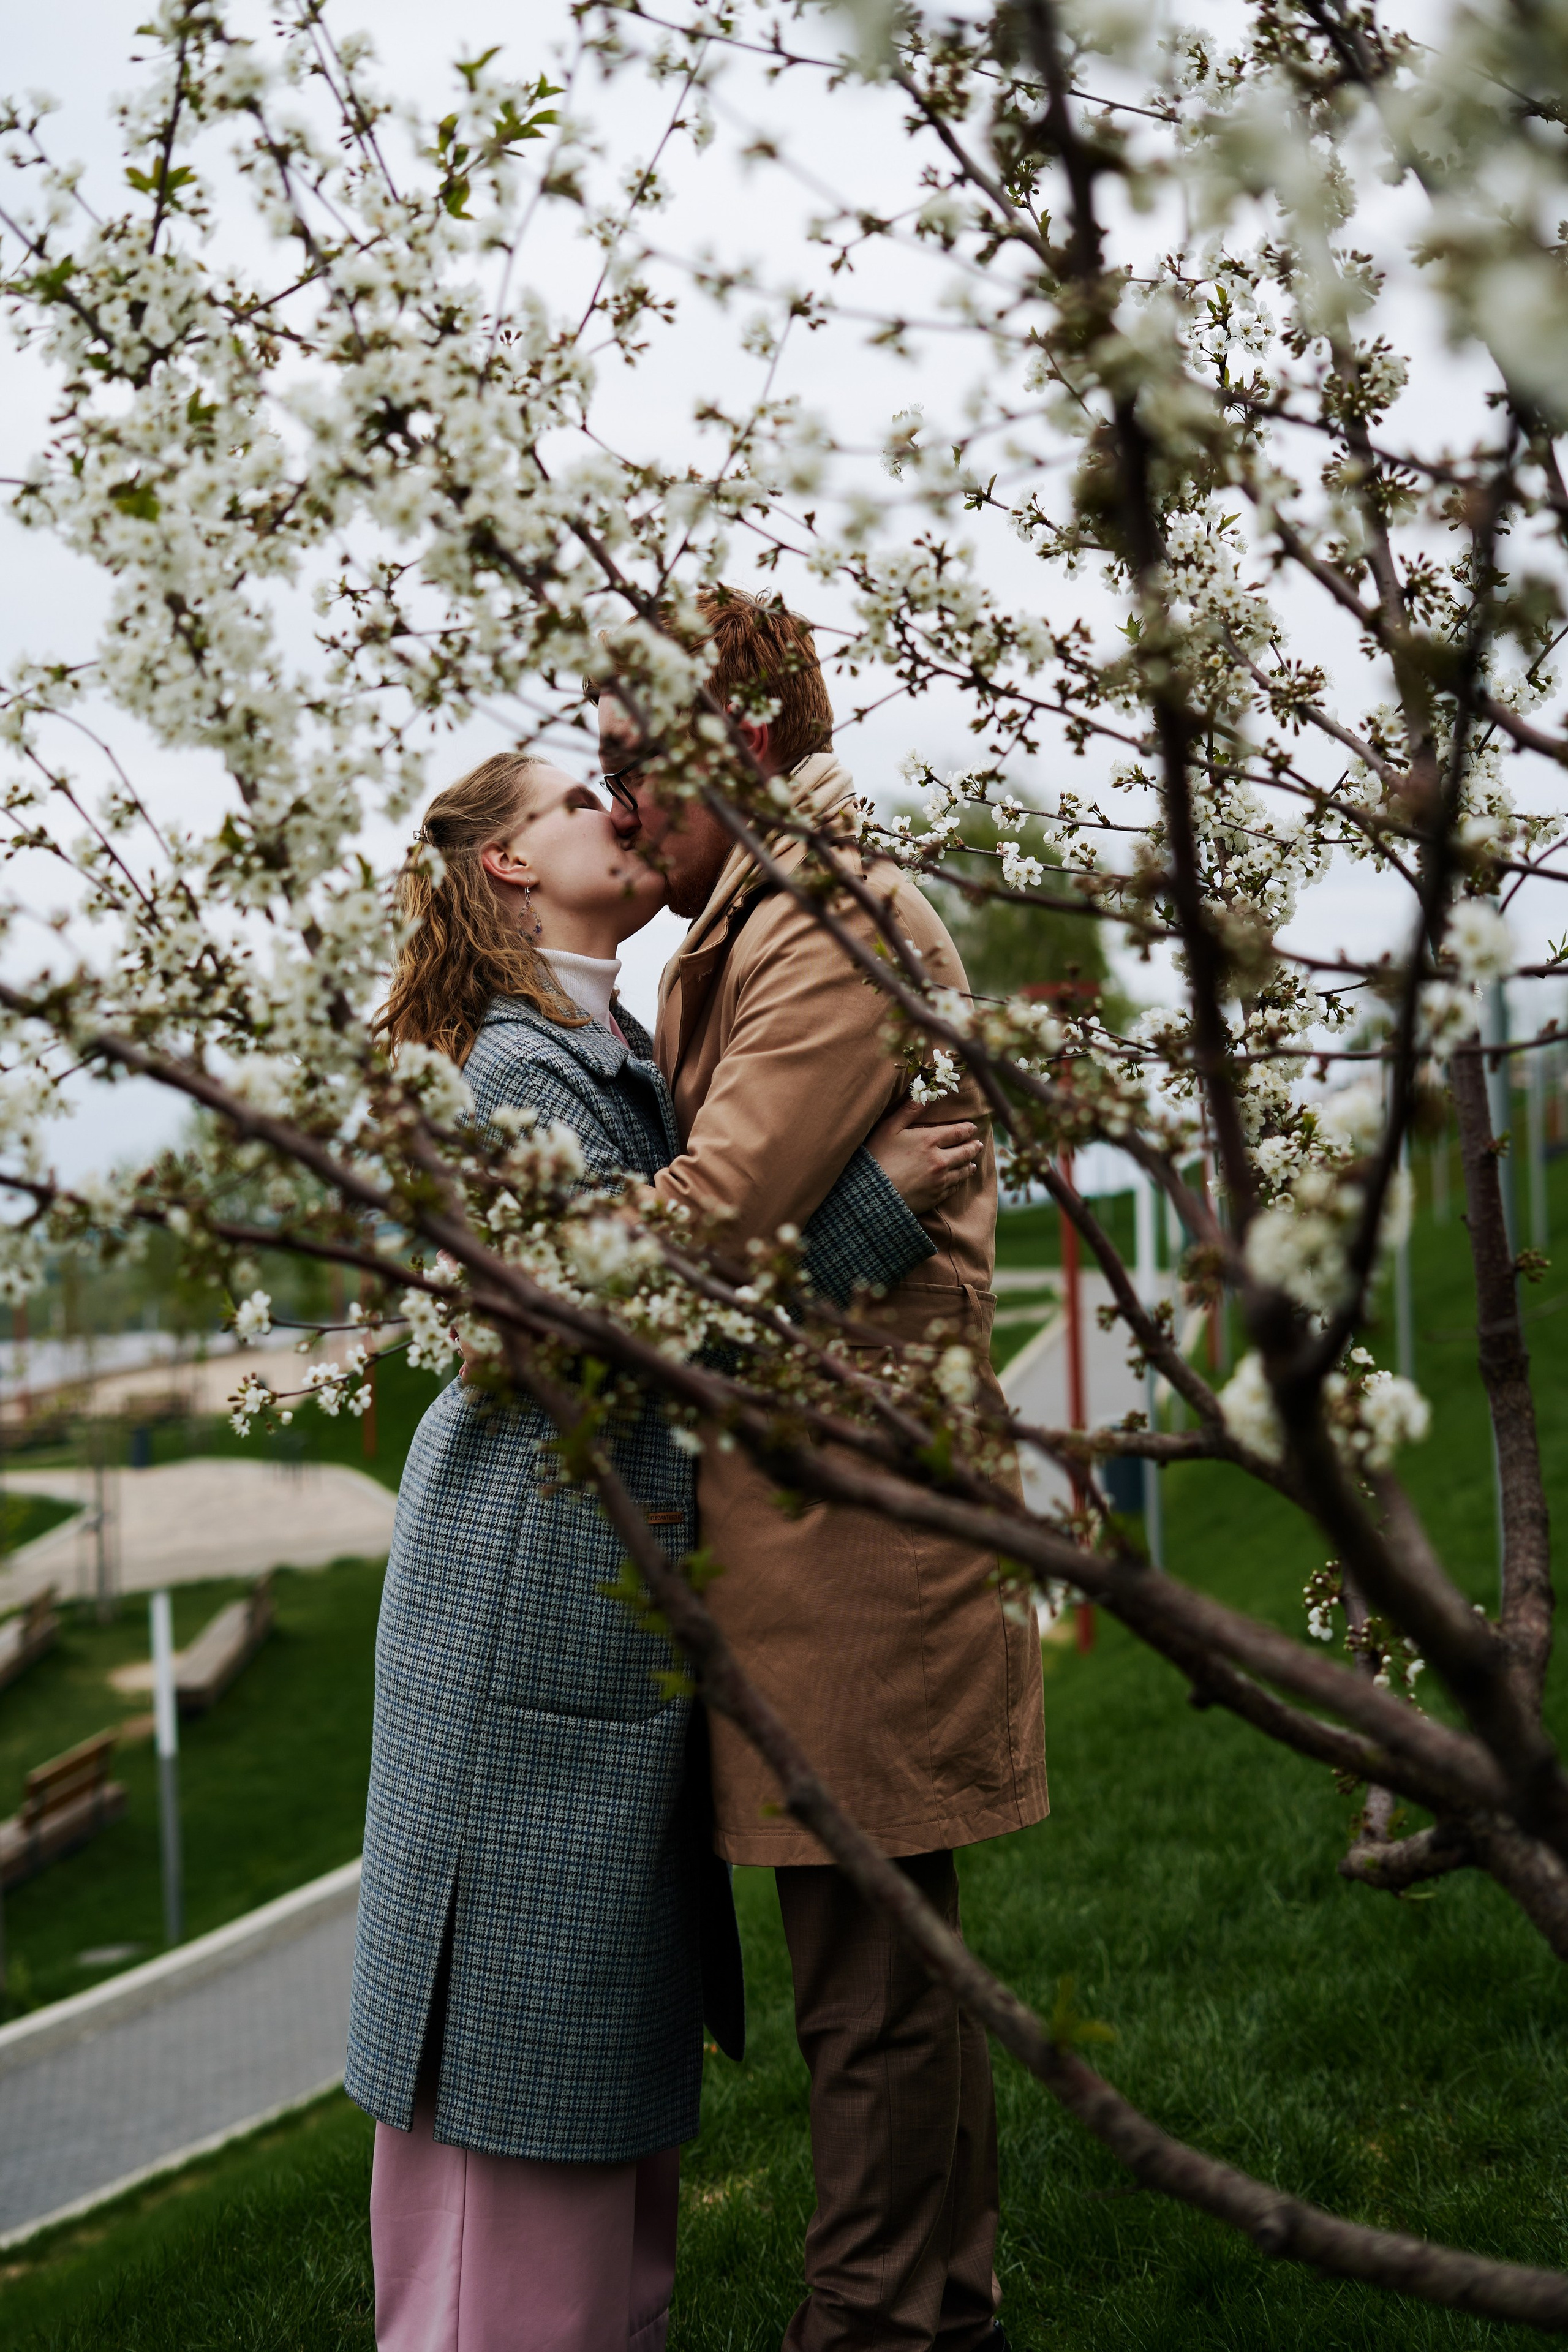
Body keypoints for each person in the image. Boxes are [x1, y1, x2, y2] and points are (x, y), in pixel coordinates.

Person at [345, 750, 976, 2352]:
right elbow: (614, 1329)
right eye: (576, 803)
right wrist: (884, 1206)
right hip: (522, 1620)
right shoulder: (502, 1072)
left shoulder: (610, 1042)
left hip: (598, 1622)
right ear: (503, 867)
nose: (623, 814)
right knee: (509, 2094)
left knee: (591, 2113)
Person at [598, 587, 1049, 2352]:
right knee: (895, 1973)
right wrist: (849, 1226)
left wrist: (513, 1246)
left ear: (752, 746)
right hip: (827, 1510)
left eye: (640, 763)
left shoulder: (825, 919)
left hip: (851, 1524)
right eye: (604, 768)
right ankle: (947, 2313)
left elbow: (699, 1235)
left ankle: (867, 2332)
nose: (620, 802)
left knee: (867, 1994)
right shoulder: (763, 919)